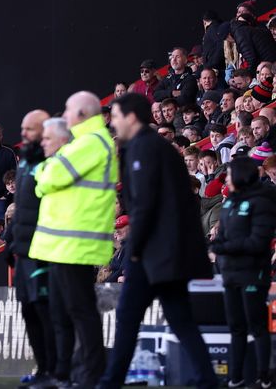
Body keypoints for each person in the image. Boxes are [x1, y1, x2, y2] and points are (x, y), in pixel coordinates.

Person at [98, 93, 215, 389]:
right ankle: (208, 381)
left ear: (132, 118)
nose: (113, 123)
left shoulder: (144, 149)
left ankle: (110, 382)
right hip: (166, 252)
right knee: (180, 320)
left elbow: (147, 204)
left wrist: (134, 250)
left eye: (117, 117)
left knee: (128, 317)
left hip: (153, 253)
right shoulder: (151, 148)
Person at [32, 92, 118, 389]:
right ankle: (65, 374)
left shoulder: (92, 141)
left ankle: (90, 376)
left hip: (75, 244)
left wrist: (43, 171)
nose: (65, 115)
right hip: (64, 244)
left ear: (82, 113)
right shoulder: (87, 141)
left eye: (68, 110)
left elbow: (48, 177)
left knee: (80, 313)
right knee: (63, 313)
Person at [210, 155, 276, 388]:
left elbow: (258, 242)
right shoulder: (230, 202)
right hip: (230, 273)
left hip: (253, 273)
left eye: (229, 175)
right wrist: (218, 246)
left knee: (257, 325)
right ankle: (235, 377)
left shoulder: (262, 201)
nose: (226, 180)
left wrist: (224, 247)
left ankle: (264, 377)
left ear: (240, 175)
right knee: (236, 327)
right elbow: (221, 236)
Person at [3, 110, 56, 386]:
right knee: (27, 310)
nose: (23, 133)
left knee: (43, 309)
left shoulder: (50, 160)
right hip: (22, 249)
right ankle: (42, 367)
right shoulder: (25, 161)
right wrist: (9, 238)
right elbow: (22, 206)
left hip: (42, 248)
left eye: (29, 129)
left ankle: (54, 369)